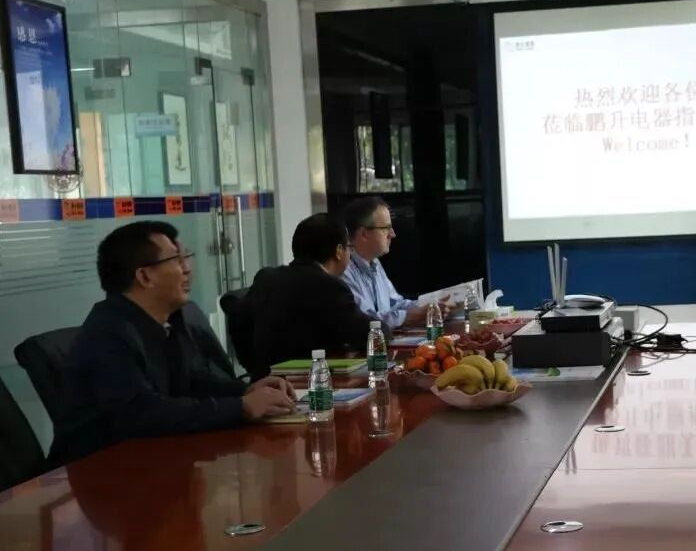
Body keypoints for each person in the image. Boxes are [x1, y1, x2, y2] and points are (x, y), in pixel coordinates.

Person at [49, 221, 296, 466]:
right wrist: (241, 408)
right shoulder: (108, 334)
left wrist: (246, 392)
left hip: (152, 461)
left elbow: (193, 382)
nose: (187, 269)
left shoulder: (169, 322)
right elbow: (141, 414)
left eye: (186, 258)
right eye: (177, 260)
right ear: (145, 276)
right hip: (98, 472)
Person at [239, 213, 380, 379]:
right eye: (349, 248)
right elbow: (369, 334)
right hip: (310, 383)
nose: (350, 254)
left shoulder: (266, 277)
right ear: (338, 251)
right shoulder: (330, 287)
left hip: (264, 383)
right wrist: (384, 329)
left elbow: (239, 325)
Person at [340, 197, 442, 329]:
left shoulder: (374, 262)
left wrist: (434, 304)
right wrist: (411, 316)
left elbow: (395, 304)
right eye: (386, 228)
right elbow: (365, 320)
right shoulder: (343, 269)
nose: (392, 234)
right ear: (364, 234)